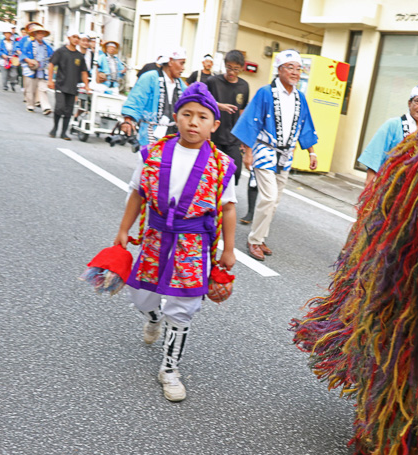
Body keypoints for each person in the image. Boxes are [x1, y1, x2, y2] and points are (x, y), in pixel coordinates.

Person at [113, 82, 237, 402]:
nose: (193, 122)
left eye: (202, 117)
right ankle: (153, 317)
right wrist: (124, 229)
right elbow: (138, 193)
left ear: (214, 125)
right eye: (187, 114)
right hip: (156, 237)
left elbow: (228, 208)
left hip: (193, 243)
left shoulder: (222, 165)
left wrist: (228, 248)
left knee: (183, 308)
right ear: (176, 117)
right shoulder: (152, 154)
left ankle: (169, 369)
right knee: (142, 297)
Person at [231, 49, 318, 261]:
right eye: (290, 67)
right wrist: (248, 153)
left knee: (275, 200)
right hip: (264, 149)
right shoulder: (265, 93)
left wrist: (312, 153)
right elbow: (251, 122)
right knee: (269, 197)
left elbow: (305, 125)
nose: (295, 72)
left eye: (298, 69)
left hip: (286, 154)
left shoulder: (300, 97)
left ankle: (261, 237)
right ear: (279, 69)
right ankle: (254, 241)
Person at [357, 83, 418, 187]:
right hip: (387, 185)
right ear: (409, 103)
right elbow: (375, 155)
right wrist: (369, 184)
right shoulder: (393, 124)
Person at [206, 50, 250, 214]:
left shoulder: (244, 86)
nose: (231, 72)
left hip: (233, 137)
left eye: (236, 69)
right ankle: (211, 202)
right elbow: (203, 101)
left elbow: (242, 112)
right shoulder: (213, 82)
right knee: (212, 171)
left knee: (235, 171)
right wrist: (219, 106)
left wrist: (244, 140)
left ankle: (221, 198)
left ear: (242, 69)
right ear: (224, 65)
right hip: (214, 135)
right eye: (229, 68)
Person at [120, 49, 187, 148]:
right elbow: (136, 99)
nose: (183, 68)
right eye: (181, 63)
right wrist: (128, 120)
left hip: (173, 135)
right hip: (150, 133)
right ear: (170, 61)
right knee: (149, 157)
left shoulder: (181, 85)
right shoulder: (149, 78)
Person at [47, 28, 90, 140]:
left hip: (72, 87)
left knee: (68, 111)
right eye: (74, 37)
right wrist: (50, 80)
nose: (76, 40)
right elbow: (51, 64)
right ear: (68, 38)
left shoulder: (79, 56)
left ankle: (63, 133)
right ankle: (55, 128)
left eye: (78, 38)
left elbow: (84, 71)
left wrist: (87, 86)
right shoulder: (61, 51)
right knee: (59, 107)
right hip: (61, 85)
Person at [20, 23, 53, 114]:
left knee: (43, 89)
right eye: (39, 33)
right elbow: (23, 55)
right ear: (35, 34)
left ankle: (46, 107)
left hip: (42, 70)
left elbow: (52, 55)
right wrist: (29, 61)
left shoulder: (47, 46)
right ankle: (30, 105)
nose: (40, 35)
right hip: (31, 70)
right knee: (30, 89)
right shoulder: (28, 44)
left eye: (42, 33)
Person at [0, 23, 19, 91]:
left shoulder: (14, 42)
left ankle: (12, 83)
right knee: (4, 74)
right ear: (4, 34)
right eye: (6, 34)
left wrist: (17, 53)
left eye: (9, 34)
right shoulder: (1, 42)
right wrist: (3, 55)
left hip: (12, 59)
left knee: (14, 74)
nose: (8, 35)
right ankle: (5, 86)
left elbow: (17, 49)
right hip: (4, 60)